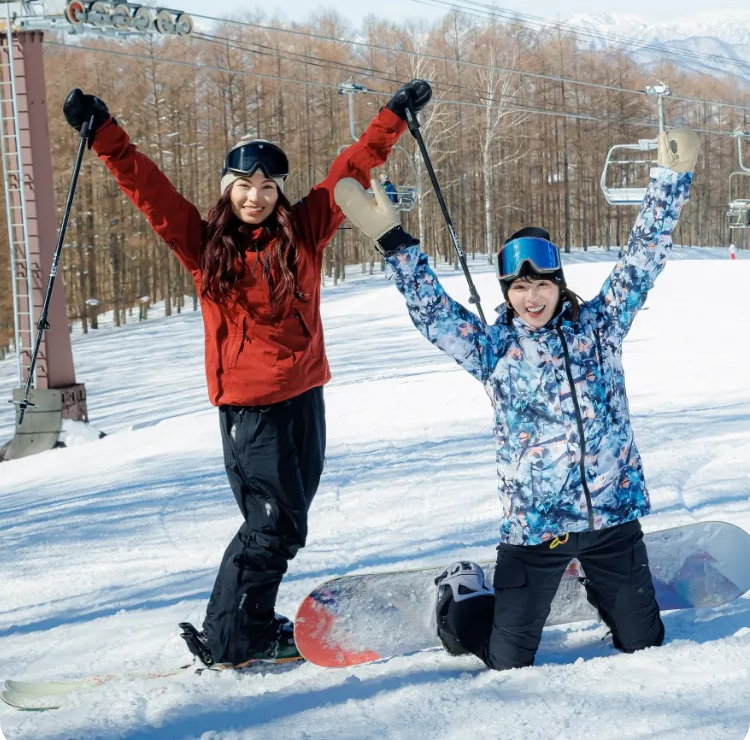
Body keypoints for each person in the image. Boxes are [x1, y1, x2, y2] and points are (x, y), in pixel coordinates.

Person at [62, 78, 432, 669]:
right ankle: (235, 636)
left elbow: (351, 169)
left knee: (288, 522)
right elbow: (148, 188)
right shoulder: (203, 243)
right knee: (270, 524)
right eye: (243, 185)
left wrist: (392, 117)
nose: (255, 197)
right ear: (227, 189)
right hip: (250, 409)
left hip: (305, 396)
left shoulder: (304, 229)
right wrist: (104, 133)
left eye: (266, 186)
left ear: (278, 191)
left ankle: (247, 622)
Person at [334, 125, 700, 671]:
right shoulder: (493, 350)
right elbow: (434, 314)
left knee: (644, 643)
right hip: (537, 529)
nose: (532, 297)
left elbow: (642, 260)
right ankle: (459, 596)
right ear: (507, 293)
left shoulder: (600, 327)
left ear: (559, 284)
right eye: (519, 288)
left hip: (612, 518)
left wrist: (670, 182)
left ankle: (602, 587)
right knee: (507, 659)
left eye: (543, 284)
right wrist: (392, 241)